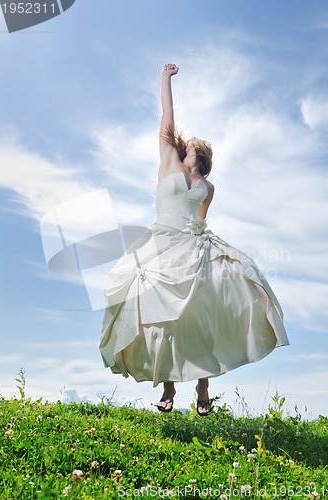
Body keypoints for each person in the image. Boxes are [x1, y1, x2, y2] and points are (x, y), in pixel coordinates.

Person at [100, 63, 289, 416]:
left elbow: (200, 221)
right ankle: (169, 385)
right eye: (193, 148)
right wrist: (165, 78)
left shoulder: (208, 187)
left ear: (202, 159)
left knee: (205, 309)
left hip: (192, 245)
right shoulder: (168, 159)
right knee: (160, 314)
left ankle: (203, 383)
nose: (194, 152)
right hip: (160, 243)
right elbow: (167, 115)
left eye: (199, 152)